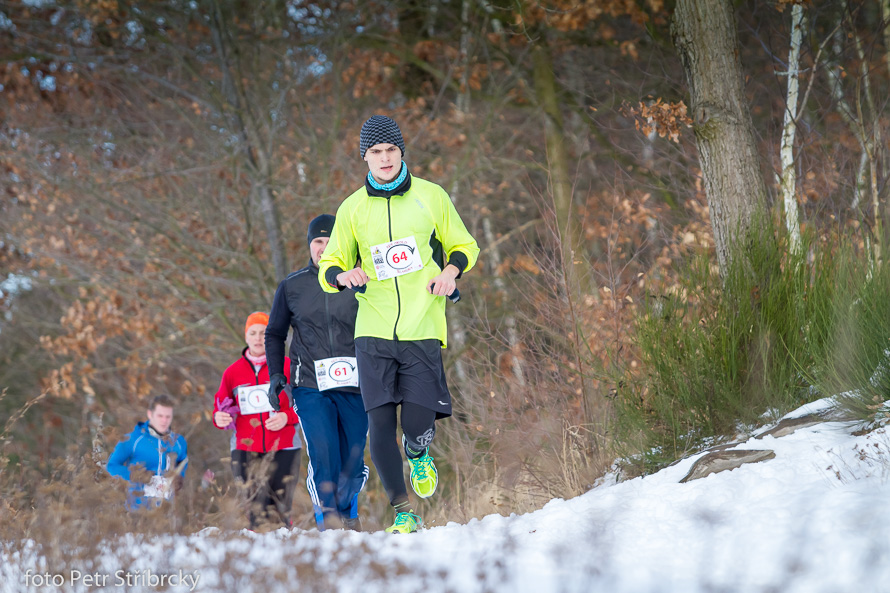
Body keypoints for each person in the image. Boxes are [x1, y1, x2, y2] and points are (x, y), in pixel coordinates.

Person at [318, 115, 479, 533]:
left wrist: (450, 273)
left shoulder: (431, 196)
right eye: (376, 152)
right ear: (365, 158)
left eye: (391, 150)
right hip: (372, 328)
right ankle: (403, 511)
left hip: (422, 323)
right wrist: (342, 275)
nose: (385, 158)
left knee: (416, 421)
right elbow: (330, 262)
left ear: (401, 152)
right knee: (379, 424)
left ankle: (419, 450)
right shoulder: (352, 208)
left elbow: (465, 245)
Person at [265, 214, 369, 531]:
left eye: (330, 241)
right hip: (309, 384)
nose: (323, 248)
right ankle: (329, 521)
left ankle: (347, 511)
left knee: (351, 464)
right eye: (317, 242)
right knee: (324, 454)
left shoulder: (363, 283)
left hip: (357, 384)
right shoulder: (292, 287)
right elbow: (274, 333)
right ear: (310, 245)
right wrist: (275, 375)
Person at [212, 311, 301, 530]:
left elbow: (308, 405)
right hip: (245, 447)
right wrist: (219, 417)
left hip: (285, 444)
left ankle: (284, 553)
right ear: (246, 337)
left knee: (280, 509)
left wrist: (286, 417)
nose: (258, 338)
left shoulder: (288, 367)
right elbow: (220, 407)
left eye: (263, 332)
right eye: (253, 333)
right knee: (255, 508)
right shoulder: (232, 373)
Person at [107, 394, 188, 510]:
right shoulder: (132, 440)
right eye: (160, 416)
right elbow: (112, 466)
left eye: (168, 417)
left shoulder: (179, 442)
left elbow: (182, 463)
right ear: (150, 414)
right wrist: (134, 475)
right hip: (137, 511)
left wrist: (179, 477)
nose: (164, 421)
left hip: (167, 513)